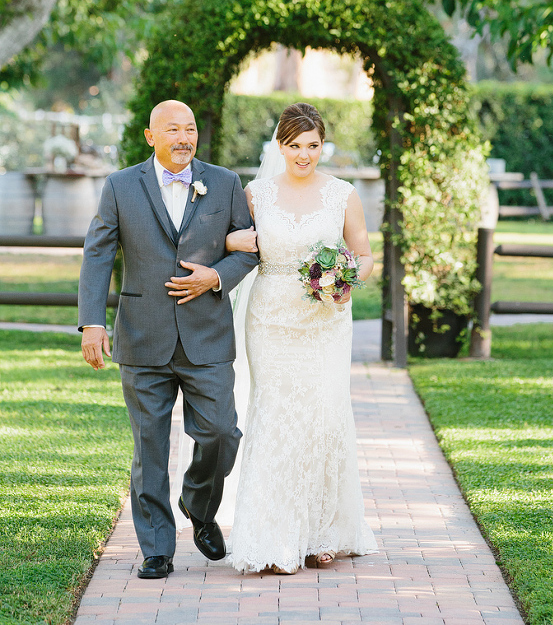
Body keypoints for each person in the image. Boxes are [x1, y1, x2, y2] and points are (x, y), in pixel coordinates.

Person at [78, 100, 259, 580]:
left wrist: (215, 277)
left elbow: (249, 247)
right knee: (150, 447)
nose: (184, 137)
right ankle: (157, 548)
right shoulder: (120, 185)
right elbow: (98, 253)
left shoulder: (224, 183)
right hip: (143, 334)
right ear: (150, 136)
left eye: (191, 129)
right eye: (173, 129)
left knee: (222, 433)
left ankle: (198, 504)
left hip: (207, 334)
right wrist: (92, 321)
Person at [222, 102, 378, 574]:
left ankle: (322, 532)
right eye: (294, 146)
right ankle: (272, 535)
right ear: (280, 146)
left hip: (326, 322)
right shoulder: (256, 194)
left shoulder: (343, 194)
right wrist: (231, 242)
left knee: (324, 417)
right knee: (274, 416)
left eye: (312, 146)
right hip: (269, 320)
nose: (304, 155)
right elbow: (227, 239)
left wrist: (347, 280)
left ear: (323, 144)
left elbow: (364, 254)